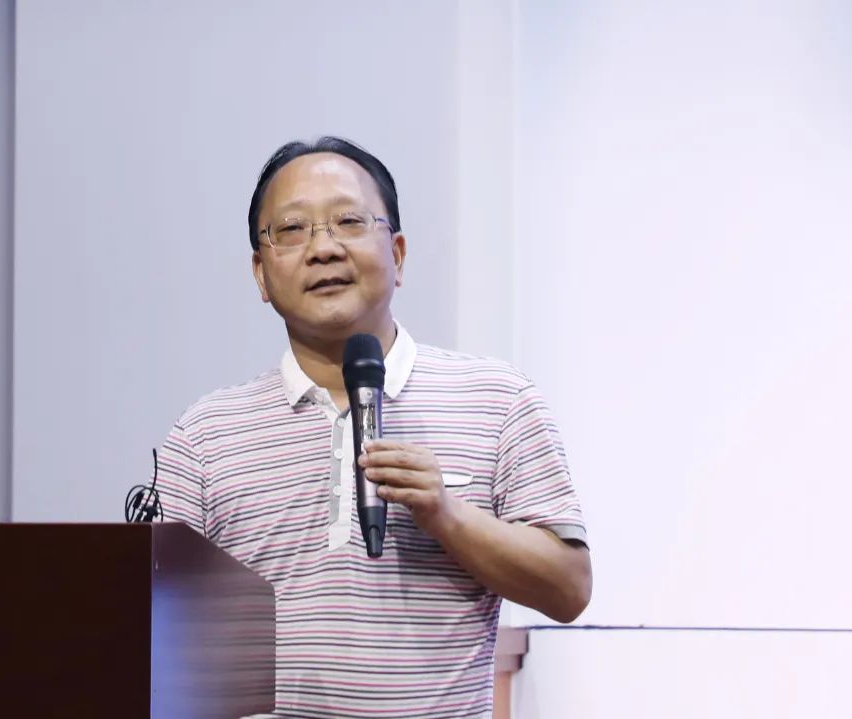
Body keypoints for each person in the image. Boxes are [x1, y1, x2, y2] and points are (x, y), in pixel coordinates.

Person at [156, 136, 591, 718]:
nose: (323, 249)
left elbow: (569, 589)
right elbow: (152, 631)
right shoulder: (206, 436)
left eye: (349, 221)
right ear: (261, 274)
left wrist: (447, 514)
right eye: (292, 230)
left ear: (399, 254)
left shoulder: (499, 400)